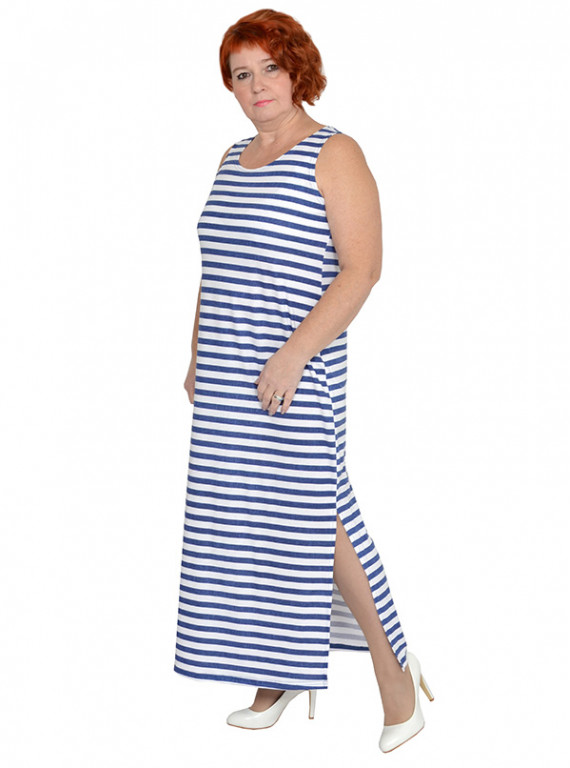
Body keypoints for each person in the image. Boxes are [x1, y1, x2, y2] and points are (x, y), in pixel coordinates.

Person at [173, 8, 434, 753]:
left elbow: (362, 271)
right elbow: (216, 266)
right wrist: (196, 353)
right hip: (227, 373)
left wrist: (290, 356)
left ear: (298, 70)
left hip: (294, 368)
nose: (257, 85)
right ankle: (278, 669)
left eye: (270, 68)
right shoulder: (231, 157)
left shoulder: (334, 152)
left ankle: (396, 675)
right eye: (241, 74)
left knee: (319, 517)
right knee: (248, 521)